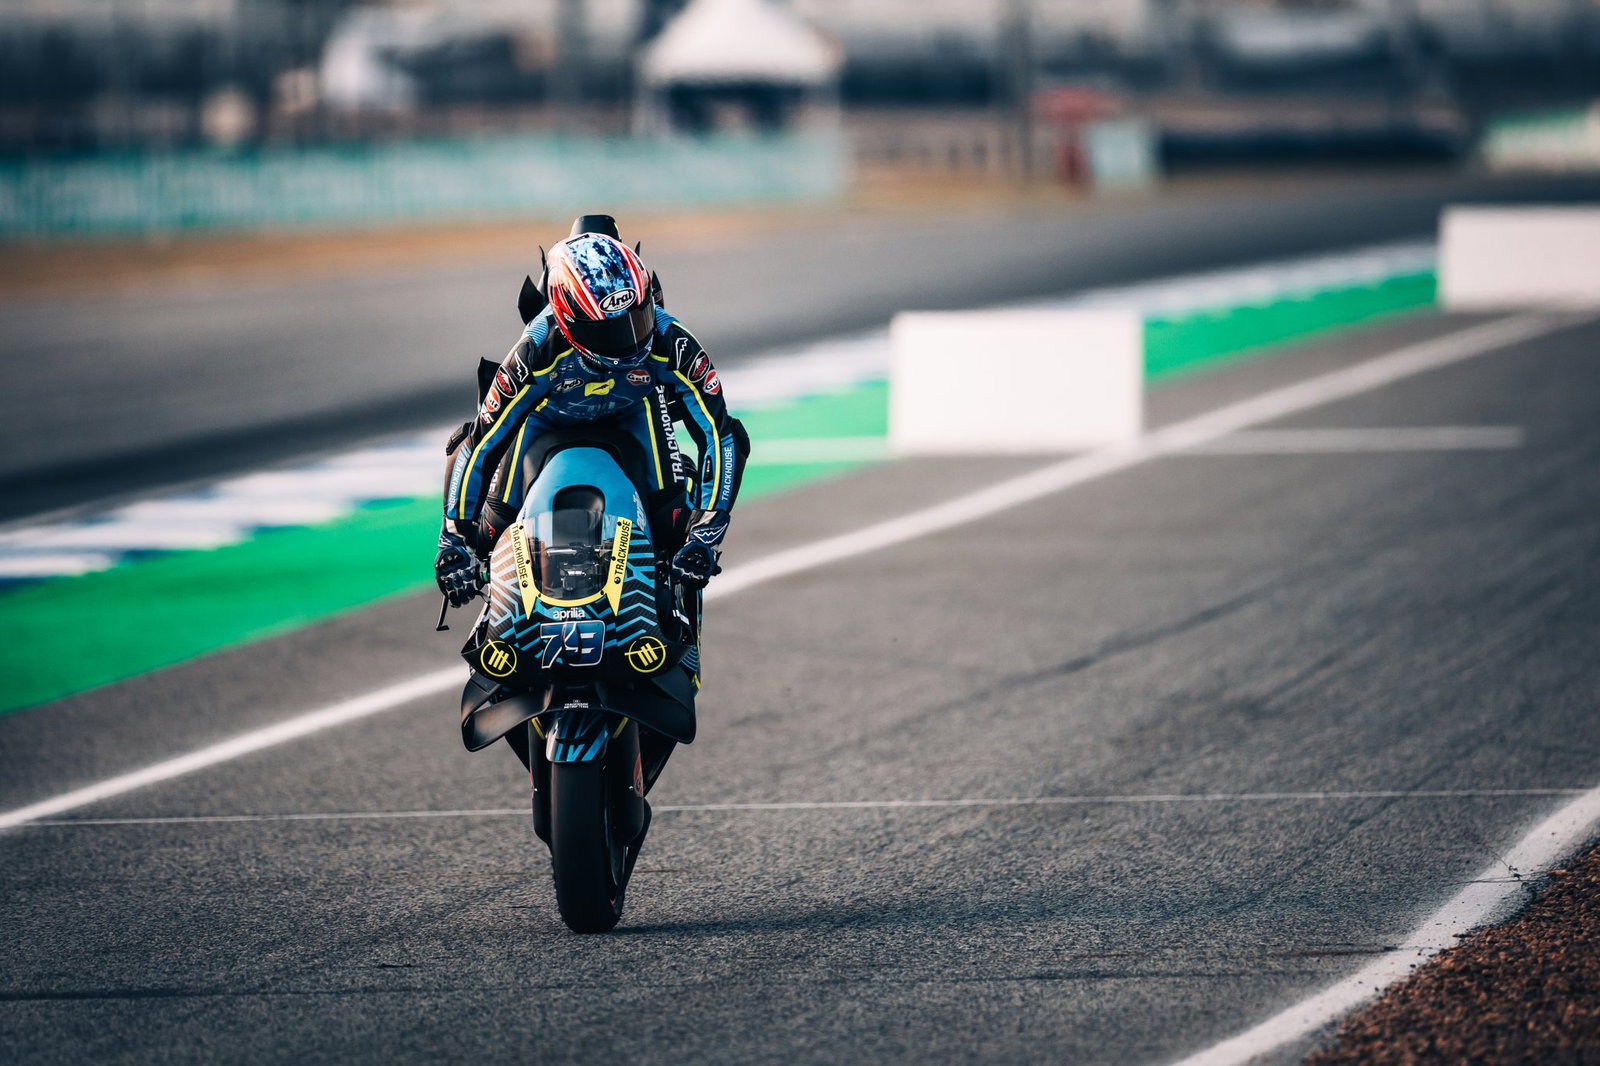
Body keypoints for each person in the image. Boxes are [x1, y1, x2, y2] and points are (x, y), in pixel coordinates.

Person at [434, 216, 748, 664]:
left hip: (634, 414)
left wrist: (706, 533)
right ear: (567, 319)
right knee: (489, 529)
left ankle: (674, 628)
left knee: (674, 525)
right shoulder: (535, 349)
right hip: (545, 421)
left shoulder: (670, 338)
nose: (631, 339)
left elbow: (721, 435)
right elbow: (480, 444)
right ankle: (498, 625)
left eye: (638, 317)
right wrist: (453, 541)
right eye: (608, 330)